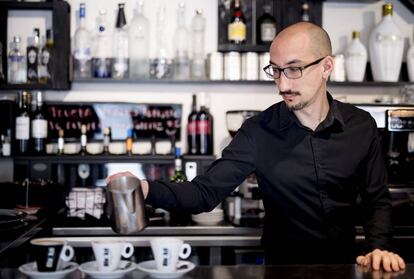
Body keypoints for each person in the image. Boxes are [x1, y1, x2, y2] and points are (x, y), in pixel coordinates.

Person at [108, 22, 405, 271]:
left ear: (326, 66)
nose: (282, 84)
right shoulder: (257, 132)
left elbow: (375, 200)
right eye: (275, 70)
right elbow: (204, 192)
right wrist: (146, 188)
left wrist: (380, 249)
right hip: (281, 270)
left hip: (346, 267)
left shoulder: (361, 126)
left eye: (294, 69)